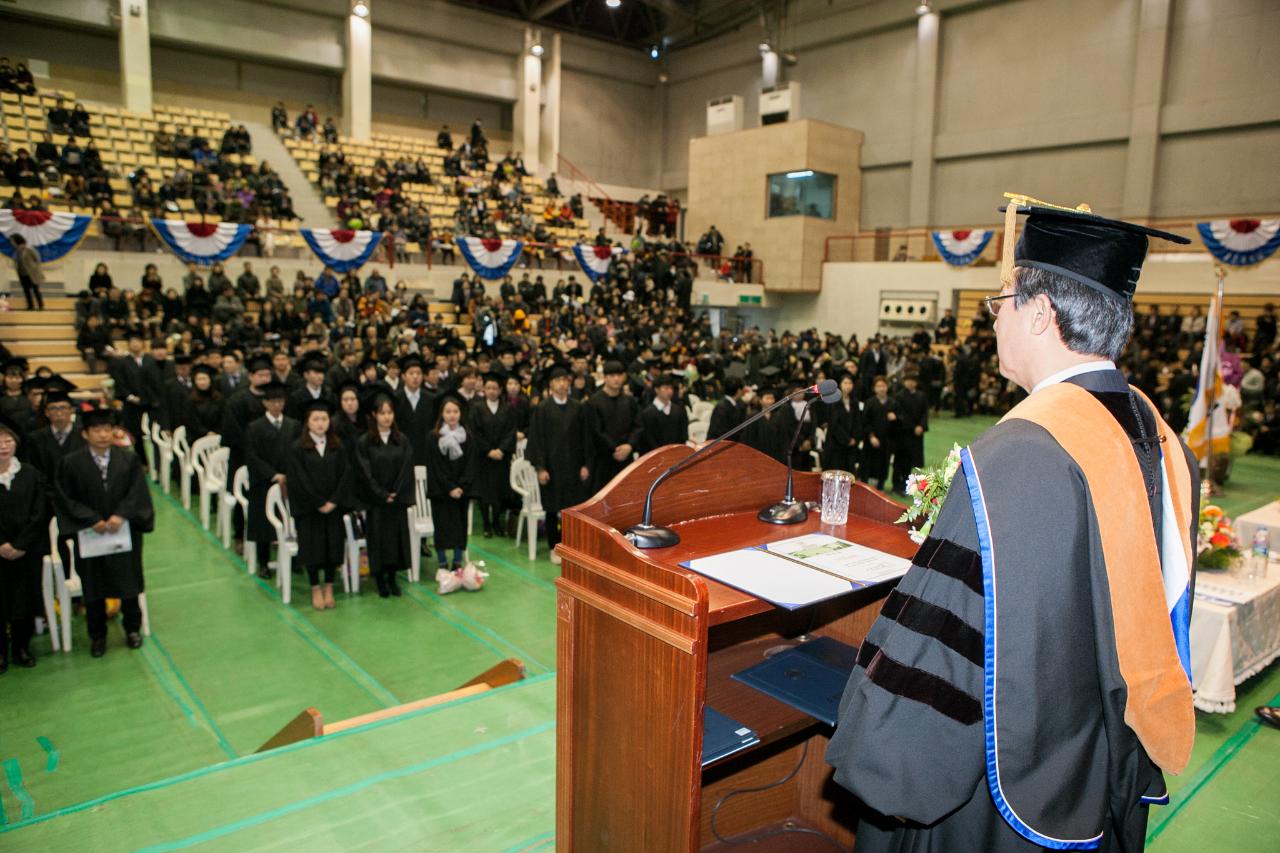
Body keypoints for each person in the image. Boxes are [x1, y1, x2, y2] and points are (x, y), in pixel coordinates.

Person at [826, 199, 1199, 852]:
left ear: (1040, 311)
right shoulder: (1156, 431)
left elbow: (942, 652)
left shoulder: (1025, 453)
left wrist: (874, 743)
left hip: (1009, 787)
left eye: (1001, 300)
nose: (994, 318)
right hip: (1105, 763)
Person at [54, 406, 155, 657]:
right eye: (96, 430)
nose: (102, 435)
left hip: (124, 531)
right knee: (94, 586)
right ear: (85, 434)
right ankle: (97, 636)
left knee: (129, 582)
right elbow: (66, 499)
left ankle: (132, 628)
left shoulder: (128, 459)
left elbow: (138, 492)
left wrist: (121, 514)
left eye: (107, 429)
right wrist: (92, 519)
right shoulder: (71, 463)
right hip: (90, 534)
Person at [286, 398, 352, 611]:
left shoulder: (337, 445)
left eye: (324, 419)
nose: (321, 423)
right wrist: (317, 502)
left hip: (333, 508)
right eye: (316, 419)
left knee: (333, 547)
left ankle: (329, 587)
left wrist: (334, 500)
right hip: (309, 510)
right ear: (307, 423)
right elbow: (298, 479)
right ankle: (315, 587)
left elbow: (345, 474)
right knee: (312, 549)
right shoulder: (298, 448)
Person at [525, 365, 592, 566]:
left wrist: (585, 464)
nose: (562, 384)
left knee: (572, 509)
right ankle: (555, 546)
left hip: (573, 465)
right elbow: (536, 439)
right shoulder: (542, 409)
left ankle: (571, 545)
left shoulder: (578, 407)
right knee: (552, 508)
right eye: (558, 380)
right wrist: (540, 467)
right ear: (551, 384)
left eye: (565, 380)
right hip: (551, 468)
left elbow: (585, 438)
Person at [0, 413, 49, 672]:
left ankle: (21, 647)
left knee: (25, 600)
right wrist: (2, 544)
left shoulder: (30, 474)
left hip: (27, 551)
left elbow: (39, 513)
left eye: (8, 440)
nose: (4, 445)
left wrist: (21, 544)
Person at [354, 391, 415, 597]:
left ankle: (392, 578)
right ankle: (380, 579)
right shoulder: (365, 442)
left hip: (396, 501)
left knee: (396, 540)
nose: (387, 417)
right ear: (374, 415)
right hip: (377, 503)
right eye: (382, 413)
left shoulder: (402, 440)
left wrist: (395, 493)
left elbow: (407, 467)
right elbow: (364, 472)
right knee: (379, 541)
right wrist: (381, 494)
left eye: (390, 413)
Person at [425, 395, 482, 593]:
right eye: (448, 411)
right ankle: (442, 563)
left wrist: (462, 486)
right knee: (441, 526)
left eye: (455, 412)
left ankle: (457, 563)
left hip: (462, 491)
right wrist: (449, 487)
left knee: (459, 526)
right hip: (441, 492)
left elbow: (471, 464)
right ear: (442, 414)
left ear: (460, 414)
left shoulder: (468, 436)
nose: (452, 415)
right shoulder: (433, 437)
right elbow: (436, 467)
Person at [244, 380, 300, 578]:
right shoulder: (255, 427)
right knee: (263, 525)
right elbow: (252, 456)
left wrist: (289, 474)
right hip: (264, 483)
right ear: (265, 403)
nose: (277, 405)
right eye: (273, 401)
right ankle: (264, 562)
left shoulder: (293, 425)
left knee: (292, 521)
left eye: (280, 401)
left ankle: (295, 561)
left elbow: (298, 453)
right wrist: (273, 474)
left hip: (289, 481)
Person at [467, 373, 518, 538]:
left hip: (502, 458)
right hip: (483, 458)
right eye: (488, 388)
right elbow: (474, 432)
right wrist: (488, 450)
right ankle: (486, 524)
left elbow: (511, 432)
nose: (491, 391)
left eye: (495, 388)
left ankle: (496, 522)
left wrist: (501, 450)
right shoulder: (476, 407)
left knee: (499, 491)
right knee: (484, 492)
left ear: (500, 390)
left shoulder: (508, 408)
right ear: (483, 389)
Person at [585, 360, 640, 492]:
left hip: (626, 456)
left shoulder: (629, 401)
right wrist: (615, 449)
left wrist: (630, 445)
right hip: (603, 459)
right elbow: (596, 431)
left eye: (619, 375)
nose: (616, 379)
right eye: (612, 375)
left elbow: (638, 426)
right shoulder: (593, 402)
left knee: (627, 495)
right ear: (605, 377)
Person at [890, 371, 928, 493]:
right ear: (904, 382)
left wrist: (921, 426)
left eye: (913, 381)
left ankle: (905, 484)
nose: (910, 383)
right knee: (899, 460)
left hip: (916, 435)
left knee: (910, 460)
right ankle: (896, 484)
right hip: (902, 433)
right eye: (908, 380)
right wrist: (913, 427)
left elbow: (924, 413)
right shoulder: (899, 396)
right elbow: (901, 415)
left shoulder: (921, 396)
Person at [822, 371, 864, 476]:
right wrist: (846, 439)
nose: (848, 386)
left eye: (850, 383)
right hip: (835, 443)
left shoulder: (854, 402)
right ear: (840, 384)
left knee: (849, 473)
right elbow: (833, 424)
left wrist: (855, 438)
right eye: (845, 383)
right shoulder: (834, 401)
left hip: (851, 445)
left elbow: (858, 421)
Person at [635, 373, 689, 455]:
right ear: (656, 390)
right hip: (655, 456)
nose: (670, 391)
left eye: (671, 388)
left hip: (676, 455)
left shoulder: (678, 410)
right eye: (666, 388)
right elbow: (647, 439)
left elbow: (683, 435)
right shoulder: (648, 413)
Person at [860, 376, 895, 490]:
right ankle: (865, 486)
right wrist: (871, 436)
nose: (881, 388)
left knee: (884, 464)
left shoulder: (893, 403)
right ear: (874, 388)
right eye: (878, 386)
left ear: (887, 387)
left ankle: (881, 486)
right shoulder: (870, 402)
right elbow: (865, 421)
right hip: (871, 439)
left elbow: (900, 421)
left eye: (883, 386)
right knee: (868, 463)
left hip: (887, 440)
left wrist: (895, 418)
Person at [9, 234, 45, 311]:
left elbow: (37, 259)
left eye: (12, 241)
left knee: (35, 290)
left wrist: (34, 268)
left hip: (31, 273)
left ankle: (41, 306)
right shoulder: (17, 251)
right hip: (22, 273)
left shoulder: (29, 248)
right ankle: (30, 306)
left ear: (17, 240)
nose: (11, 243)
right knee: (26, 291)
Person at [707, 376, 748, 440]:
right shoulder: (722, 407)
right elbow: (718, 432)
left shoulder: (738, 404)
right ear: (739, 391)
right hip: (721, 444)